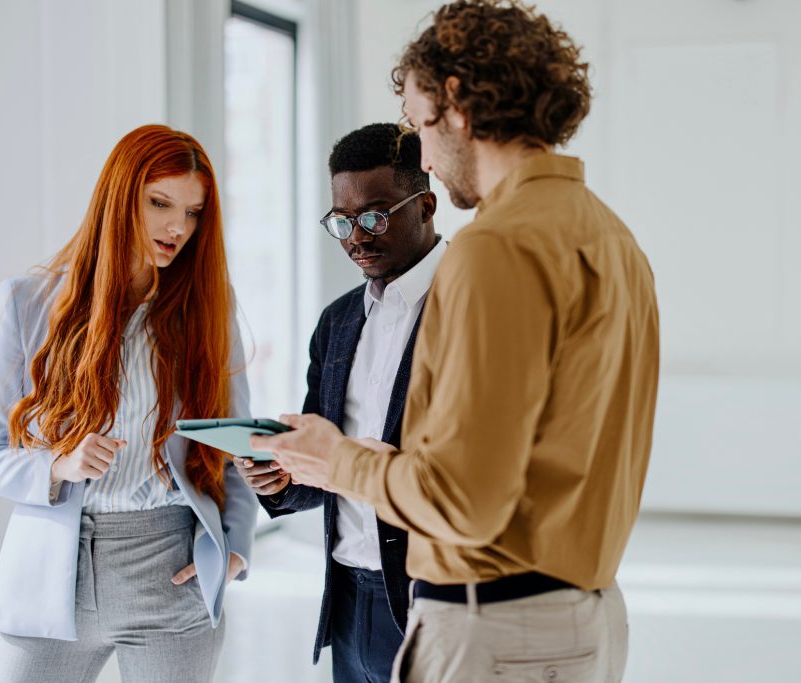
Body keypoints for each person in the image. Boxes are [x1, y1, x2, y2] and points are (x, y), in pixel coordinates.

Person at [251, 2, 660, 682]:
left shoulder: (495, 247)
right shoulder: (615, 240)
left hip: (489, 630)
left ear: (460, 106)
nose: (428, 158)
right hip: (586, 621)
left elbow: (466, 499)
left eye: (420, 125)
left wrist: (336, 458)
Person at [0, 124, 258, 683]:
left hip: (171, 569)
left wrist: (236, 548)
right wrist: (58, 464)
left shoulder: (207, 313)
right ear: (119, 195)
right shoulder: (28, 306)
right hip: (52, 575)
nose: (178, 227)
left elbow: (232, 442)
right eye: (160, 203)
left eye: (194, 213)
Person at [233, 123, 444, 683]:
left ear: (425, 205)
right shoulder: (339, 320)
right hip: (347, 595)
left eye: (374, 215)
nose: (356, 236)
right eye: (342, 221)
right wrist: (279, 477)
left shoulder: (468, 310)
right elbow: (324, 463)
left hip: (432, 597)